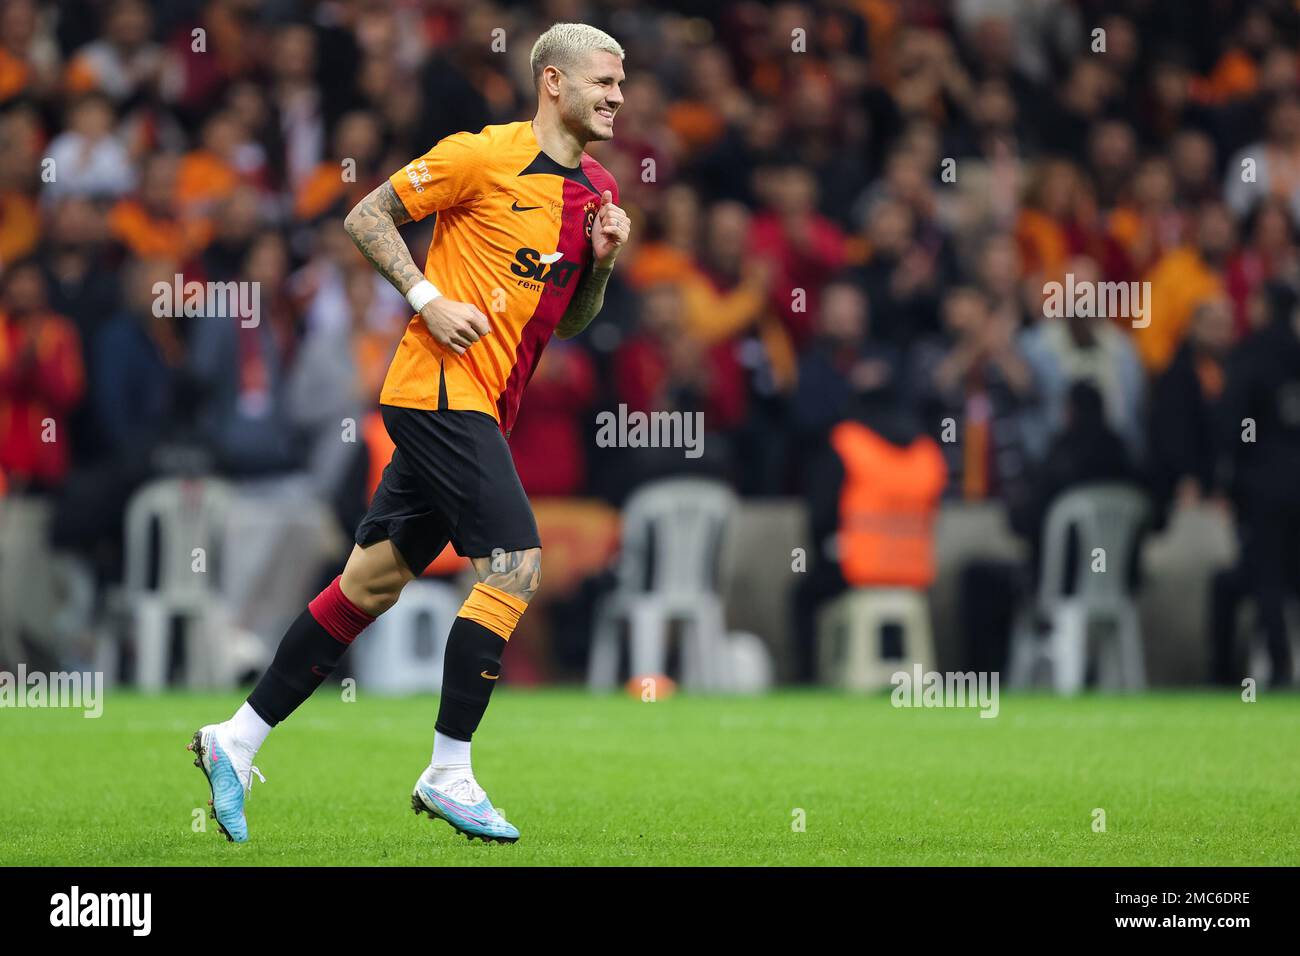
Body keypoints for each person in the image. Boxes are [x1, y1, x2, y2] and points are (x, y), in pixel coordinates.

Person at [189, 22, 630, 845]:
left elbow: (567, 325)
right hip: (434, 392)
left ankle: (233, 739)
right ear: (554, 84)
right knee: (516, 561)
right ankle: (449, 770)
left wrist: (601, 263)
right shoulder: (480, 155)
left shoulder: (594, 191)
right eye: (603, 81)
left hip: (483, 404)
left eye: (622, 82)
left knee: (368, 587)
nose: (617, 96)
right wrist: (427, 298)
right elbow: (367, 215)